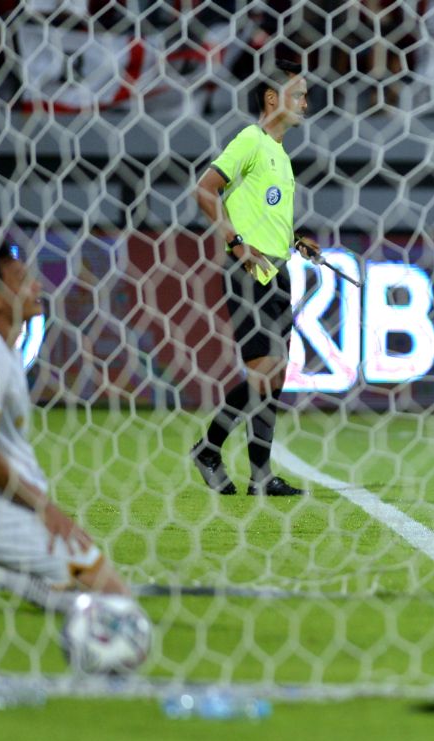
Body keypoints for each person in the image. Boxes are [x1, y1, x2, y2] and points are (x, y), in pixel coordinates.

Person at [0, 238, 131, 610]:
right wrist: (45, 508)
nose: (36, 286)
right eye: (22, 279)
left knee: (73, 593)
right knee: (115, 601)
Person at [191, 53, 320, 496]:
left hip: (276, 270)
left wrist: (294, 239)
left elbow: (263, 215)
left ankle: (261, 476)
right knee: (266, 370)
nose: (306, 102)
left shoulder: (281, 156)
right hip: (248, 270)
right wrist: (235, 242)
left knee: (276, 375)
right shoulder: (250, 139)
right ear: (272, 97)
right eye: (299, 94)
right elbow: (205, 189)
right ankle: (208, 449)